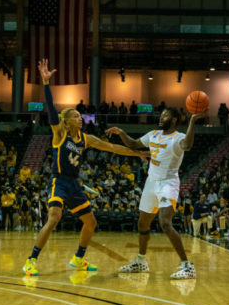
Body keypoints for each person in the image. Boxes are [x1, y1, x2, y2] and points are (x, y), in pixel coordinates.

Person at [22, 59, 148, 276]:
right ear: (67, 121)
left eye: (80, 117)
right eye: (77, 117)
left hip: (74, 184)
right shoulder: (59, 134)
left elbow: (112, 148)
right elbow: (51, 111)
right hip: (59, 181)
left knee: (90, 223)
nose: (81, 119)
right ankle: (31, 260)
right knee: (54, 217)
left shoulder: (86, 138)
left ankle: (78, 259)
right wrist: (45, 84)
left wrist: (137, 153)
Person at [106, 106, 204, 279]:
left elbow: (187, 145)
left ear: (174, 119)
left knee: (165, 223)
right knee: (142, 224)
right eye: (162, 114)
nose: (161, 117)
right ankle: (141, 261)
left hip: (168, 183)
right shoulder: (153, 134)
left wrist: (193, 121)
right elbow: (134, 144)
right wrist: (121, 132)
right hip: (151, 183)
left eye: (166, 115)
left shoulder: (179, 137)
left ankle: (187, 266)